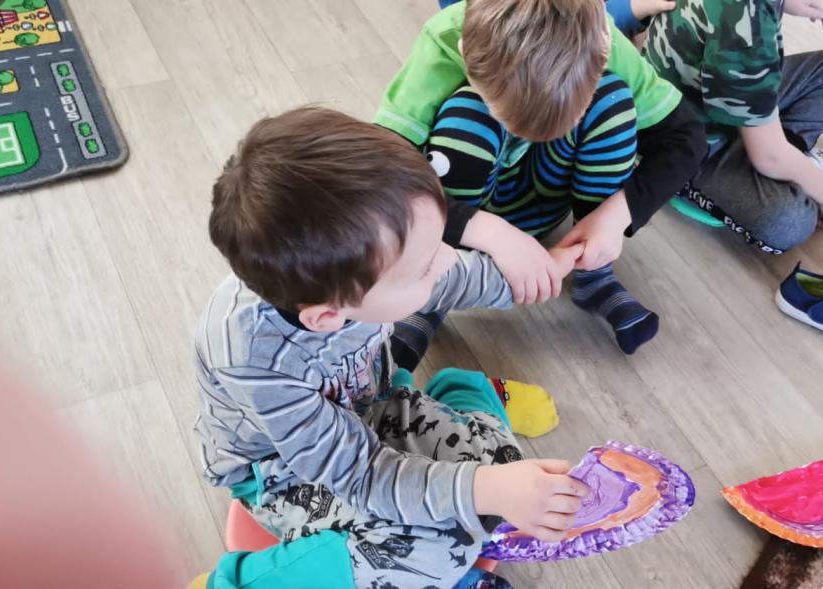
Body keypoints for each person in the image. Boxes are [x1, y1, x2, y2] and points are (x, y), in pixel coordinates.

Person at [195, 107, 589, 588]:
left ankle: (461, 392)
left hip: (373, 408)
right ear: (327, 317)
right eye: (424, 267)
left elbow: (452, 277)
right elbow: (362, 475)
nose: (448, 260)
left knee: (505, 474)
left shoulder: (355, 276)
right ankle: (237, 582)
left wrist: (539, 272)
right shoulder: (255, 359)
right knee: (440, 543)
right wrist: (485, 490)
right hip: (284, 471)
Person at [378, 0, 705, 360]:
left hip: (548, 196)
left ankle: (593, 271)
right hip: (459, 214)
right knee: (467, 115)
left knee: (612, 100)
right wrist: (485, 231)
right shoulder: (442, 39)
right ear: (464, 51)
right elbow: (382, 179)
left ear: (603, 50)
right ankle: (437, 280)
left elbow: (686, 140)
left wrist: (615, 216)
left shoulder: (602, 38)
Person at [646, 0, 823, 255]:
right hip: (686, 144)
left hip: (711, 94)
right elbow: (768, 157)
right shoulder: (747, 25)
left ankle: (786, 159)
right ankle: (781, 164)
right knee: (791, 221)